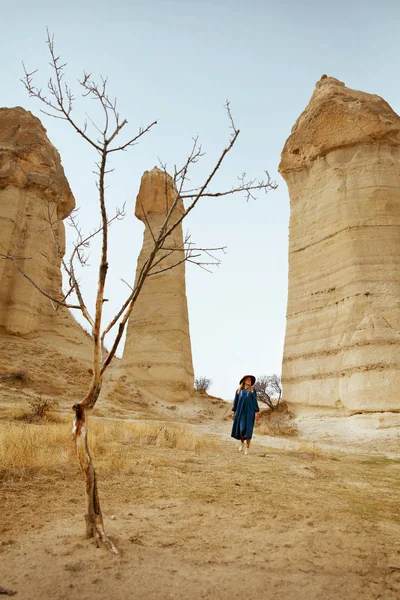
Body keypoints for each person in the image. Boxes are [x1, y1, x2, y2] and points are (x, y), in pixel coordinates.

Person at [231, 375, 260, 455]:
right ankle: (242, 443)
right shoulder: (238, 391)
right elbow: (235, 402)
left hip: (250, 413)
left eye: (250, 380)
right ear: (244, 381)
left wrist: (257, 412)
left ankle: (247, 447)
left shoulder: (252, 391)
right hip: (241, 413)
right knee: (241, 429)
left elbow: (255, 402)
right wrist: (233, 412)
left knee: (249, 431)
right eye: (247, 379)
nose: (249, 381)